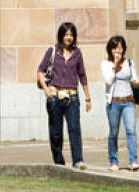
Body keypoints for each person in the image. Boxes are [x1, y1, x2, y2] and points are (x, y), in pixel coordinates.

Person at [36, 22, 91, 169]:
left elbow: (82, 75)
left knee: (74, 128)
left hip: (72, 97)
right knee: (56, 132)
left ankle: (78, 160)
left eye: (71, 35)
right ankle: (59, 161)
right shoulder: (53, 51)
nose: (69, 38)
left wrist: (88, 97)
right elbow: (40, 71)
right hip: (54, 97)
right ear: (61, 36)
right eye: (66, 35)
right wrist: (46, 89)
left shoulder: (77, 53)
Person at [100, 35, 139, 172]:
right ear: (110, 50)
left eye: (120, 48)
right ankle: (113, 161)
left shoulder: (129, 62)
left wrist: (136, 82)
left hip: (128, 101)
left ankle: (133, 161)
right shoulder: (106, 64)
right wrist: (115, 66)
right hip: (114, 102)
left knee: (131, 130)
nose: (118, 51)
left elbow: (134, 77)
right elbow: (109, 81)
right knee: (114, 132)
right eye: (115, 48)